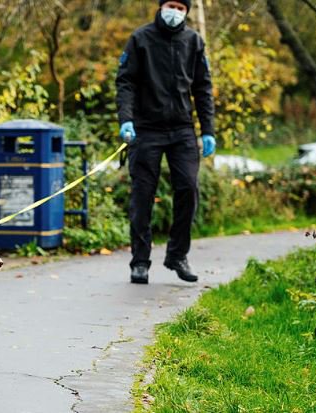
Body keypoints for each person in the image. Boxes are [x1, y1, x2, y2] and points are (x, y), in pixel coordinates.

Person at [115, 0, 216, 284]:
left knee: (188, 188)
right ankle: (140, 261)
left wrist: (208, 129)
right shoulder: (140, 39)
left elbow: (203, 88)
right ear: (161, 7)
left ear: (186, 11)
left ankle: (177, 255)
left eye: (181, 8)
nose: (176, 12)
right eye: (171, 5)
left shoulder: (194, 41)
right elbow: (125, 82)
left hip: (182, 128)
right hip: (145, 129)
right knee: (142, 195)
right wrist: (126, 119)